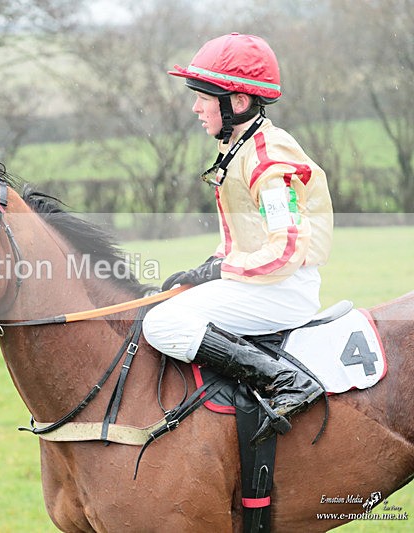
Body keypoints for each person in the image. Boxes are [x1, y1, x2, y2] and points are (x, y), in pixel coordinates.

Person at [143, 33, 334, 443]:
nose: (195, 107)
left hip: (282, 288)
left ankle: (289, 381)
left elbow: (284, 250)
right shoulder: (241, 147)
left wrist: (221, 269)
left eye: (204, 97)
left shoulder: (268, 159)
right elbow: (243, 238)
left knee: (161, 323)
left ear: (239, 102)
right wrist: (203, 271)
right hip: (261, 283)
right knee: (165, 303)